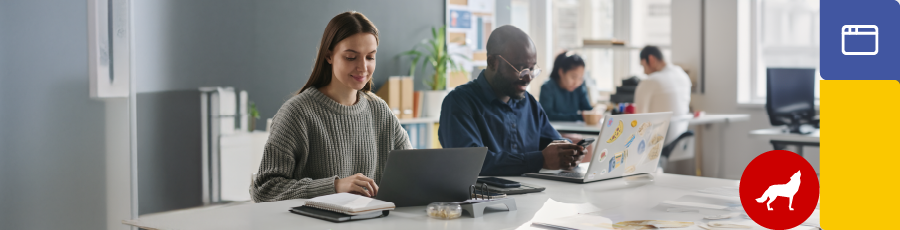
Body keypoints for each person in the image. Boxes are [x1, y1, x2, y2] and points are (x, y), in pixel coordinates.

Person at [251, 11, 411, 202]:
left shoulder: (379, 110)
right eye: (351, 57)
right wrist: (335, 187)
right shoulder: (297, 113)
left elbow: (413, 172)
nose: (363, 67)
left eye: (370, 57)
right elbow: (264, 189)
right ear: (329, 56)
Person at [439, 25, 585, 176]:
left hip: (533, 195)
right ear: (492, 63)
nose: (528, 78)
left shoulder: (529, 103)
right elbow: (470, 164)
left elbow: (554, 143)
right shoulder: (459, 103)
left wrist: (569, 153)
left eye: (532, 69)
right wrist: (539, 160)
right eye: (520, 69)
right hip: (484, 197)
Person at [633, 45, 692, 145]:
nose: (644, 72)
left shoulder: (650, 81)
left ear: (651, 59)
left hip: (654, 146)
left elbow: (638, 118)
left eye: (643, 66)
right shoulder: (683, 75)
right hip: (680, 141)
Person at [539, 52, 593, 121]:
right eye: (573, 77)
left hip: (574, 130)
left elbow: (588, 110)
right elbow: (547, 116)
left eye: (580, 78)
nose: (576, 83)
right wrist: (579, 117)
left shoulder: (579, 86)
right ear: (561, 72)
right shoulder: (547, 88)